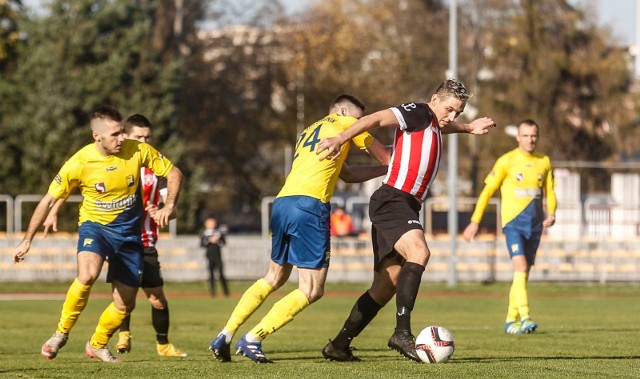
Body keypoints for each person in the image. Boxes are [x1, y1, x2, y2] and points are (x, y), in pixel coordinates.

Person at [316, 79, 496, 362]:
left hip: (405, 205)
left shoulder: (432, 123)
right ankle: (402, 333)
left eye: (458, 113)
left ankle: (338, 345)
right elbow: (376, 118)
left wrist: (468, 128)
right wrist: (339, 139)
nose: (452, 116)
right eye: (450, 109)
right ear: (435, 99)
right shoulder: (419, 112)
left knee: (384, 287)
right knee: (420, 251)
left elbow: (443, 126)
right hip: (393, 200)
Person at [208, 94, 391, 363]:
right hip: (310, 206)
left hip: (283, 203)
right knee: (312, 289)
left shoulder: (311, 130)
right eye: (358, 119)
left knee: (273, 278)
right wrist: (401, 152)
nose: (360, 124)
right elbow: (387, 157)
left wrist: (380, 171)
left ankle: (225, 334)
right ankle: (254, 337)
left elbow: (348, 174)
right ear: (342, 111)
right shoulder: (346, 125)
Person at [13, 106, 182, 363]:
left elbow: (174, 173)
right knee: (87, 274)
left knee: (125, 305)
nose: (122, 138)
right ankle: (60, 334)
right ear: (97, 136)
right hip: (96, 228)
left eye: (122, 132)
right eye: (115, 134)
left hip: (129, 235)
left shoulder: (138, 150)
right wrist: (27, 239)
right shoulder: (79, 162)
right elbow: (48, 199)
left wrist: (168, 206)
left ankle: (97, 344)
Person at [462, 119, 556, 335]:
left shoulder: (544, 161)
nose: (530, 139)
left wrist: (552, 213)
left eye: (533, 135)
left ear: (537, 137)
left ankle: (509, 320)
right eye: (525, 135)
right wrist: (475, 220)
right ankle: (525, 316)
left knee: (522, 274)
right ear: (518, 137)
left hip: (535, 225)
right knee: (521, 267)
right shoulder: (506, 161)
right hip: (513, 224)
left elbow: (550, 191)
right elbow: (487, 191)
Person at [201, 215, 230, 297]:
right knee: (211, 275)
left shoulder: (218, 233)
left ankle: (226, 292)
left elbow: (223, 243)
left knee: (221, 274)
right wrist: (209, 240)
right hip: (209, 257)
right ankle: (213, 292)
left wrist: (217, 240)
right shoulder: (204, 233)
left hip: (218, 257)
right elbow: (202, 244)